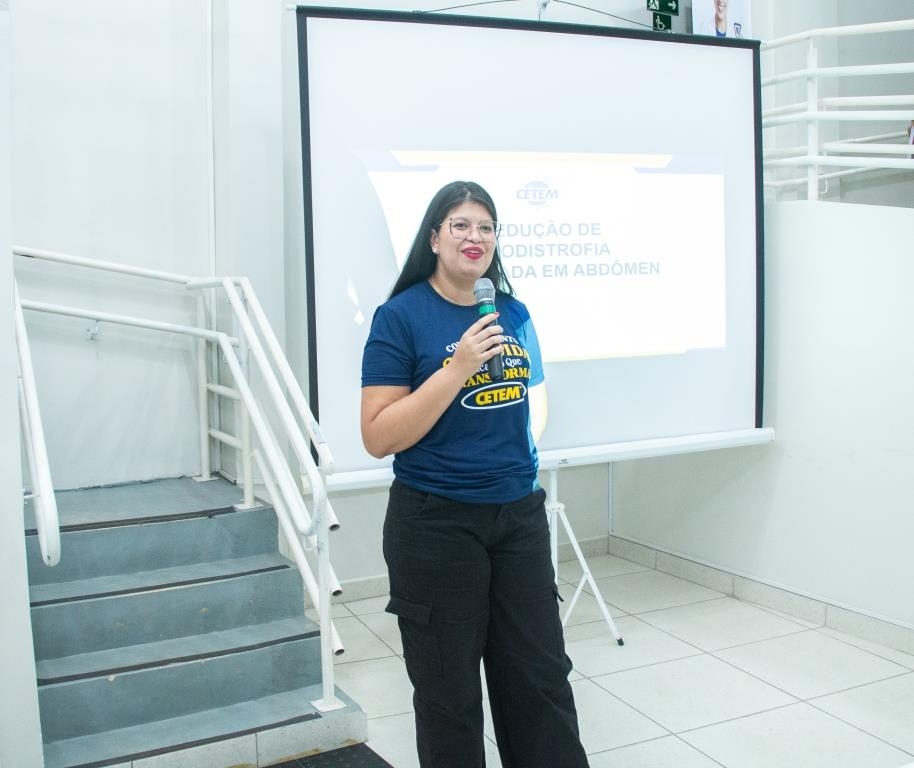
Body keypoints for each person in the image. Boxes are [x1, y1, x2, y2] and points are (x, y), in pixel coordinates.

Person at [360, 180, 590, 768]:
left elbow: (530, 402)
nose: (475, 236)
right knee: (450, 695)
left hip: (517, 516)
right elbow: (378, 436)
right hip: (435, 523)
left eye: (486, 227)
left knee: (540, 678)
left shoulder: (512, 312)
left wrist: (521, 467)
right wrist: (457, 368)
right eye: (460, 224)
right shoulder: (400, 317)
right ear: (434, 238)